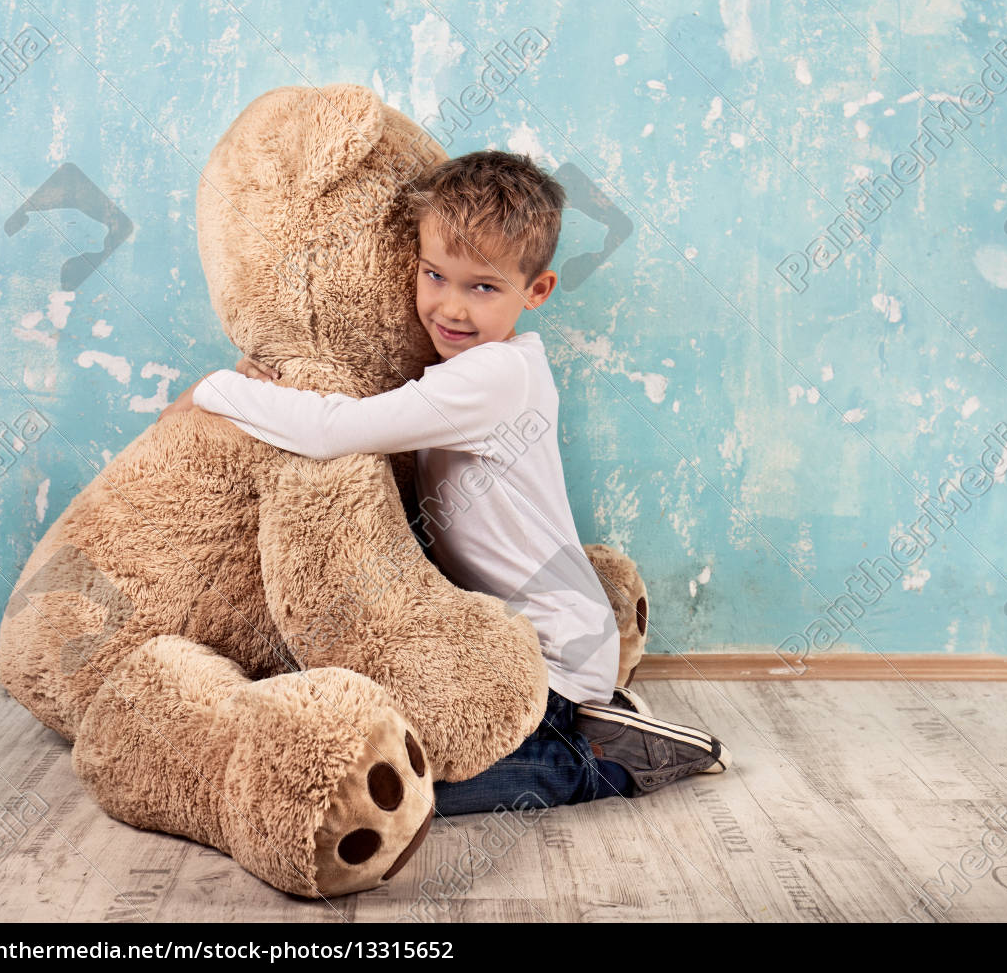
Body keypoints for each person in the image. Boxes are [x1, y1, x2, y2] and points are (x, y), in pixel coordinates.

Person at [160, 150, 730, 815]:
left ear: (536, 291)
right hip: (499, 643)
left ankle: (598, 760)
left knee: (407, 792)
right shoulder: (472, 368)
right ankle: (595, 720)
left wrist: (217, 389)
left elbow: (334, 430)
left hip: (549, 662)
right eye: (436, 276)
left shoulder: (493, 378)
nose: (451, 308)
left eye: (483, 287)